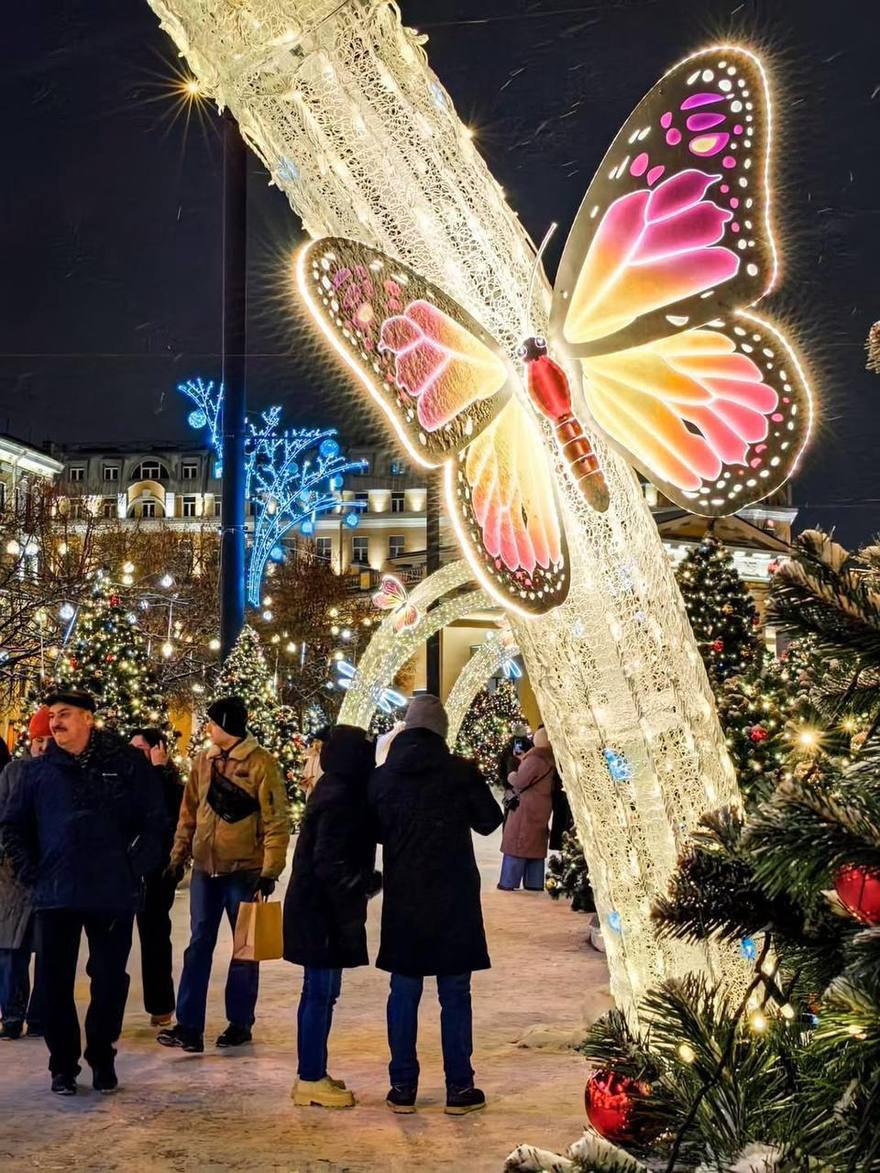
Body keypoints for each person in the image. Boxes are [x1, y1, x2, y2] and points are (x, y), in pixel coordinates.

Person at [0, 690, 166, 1096]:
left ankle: (101, 1056)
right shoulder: (37, 773)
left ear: (89, 719)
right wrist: (31, 874)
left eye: (65, 715)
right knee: (54, 983)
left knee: (109, 980)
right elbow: (12, 827)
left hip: (111, 893)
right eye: (53, 715)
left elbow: (157, 821)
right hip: (55, 893)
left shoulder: (125, 766)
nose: (55, 723)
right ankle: (63, 1066)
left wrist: (133, 868)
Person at [368, 694, 502, 1116]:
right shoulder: (459, 771)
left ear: (407, 728)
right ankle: (459, 1088)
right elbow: (488, 821)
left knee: (403, 992)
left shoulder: (385, 775)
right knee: (455, 994)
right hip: (453, 898)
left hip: (405, 898)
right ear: (442, 730)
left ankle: (402, 1086)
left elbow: (372, 827)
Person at [157, 696, 289, 1054]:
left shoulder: (261, 763)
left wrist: (269, 870)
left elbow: (277, 821)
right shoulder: (204, 762)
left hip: (243, 871)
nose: (208, 728)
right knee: (198, 945)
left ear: (227, 725)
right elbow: (188, 814)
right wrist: (177, 857)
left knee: (245, 948)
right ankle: (188, 1026)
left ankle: (240, 1022)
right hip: (206, 869)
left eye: (213, 722)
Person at [284, 724, 378, 1109]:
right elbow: (329, 862)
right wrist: (366, 881)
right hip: (320, 913)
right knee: (319, 994)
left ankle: (313, 1072)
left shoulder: (336, 789)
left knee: (320, 993)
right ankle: (309, 1077)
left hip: (317, 910)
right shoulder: (341, 797)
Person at [0, 706, 52, 1041]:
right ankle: (12, 1015)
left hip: (50, 875)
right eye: (38, 739)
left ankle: (39, 1016)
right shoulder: (12, 774)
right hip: (12, 877)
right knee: (10, 952)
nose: (43, 746)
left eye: (48, 739)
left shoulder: (63, 775)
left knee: (49, 953)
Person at [130, 728, 184, 1026]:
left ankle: (161, 1006)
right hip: (122, 871)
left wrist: (158, 772)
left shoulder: (170, 785)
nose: (135, 754)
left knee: (154, 937)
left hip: (156, 871)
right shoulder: (123, 780)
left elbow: (166, 818)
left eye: (142, 748)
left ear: (158, 750)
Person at [498, 726, 556, 892]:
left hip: (526, 807)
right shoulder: (550, 759)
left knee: (517, 841)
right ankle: (534, 881)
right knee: (536, 843)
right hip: (542, 805)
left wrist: (511, 774)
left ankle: (509, 881)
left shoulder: (535, 759)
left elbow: (520, 781)